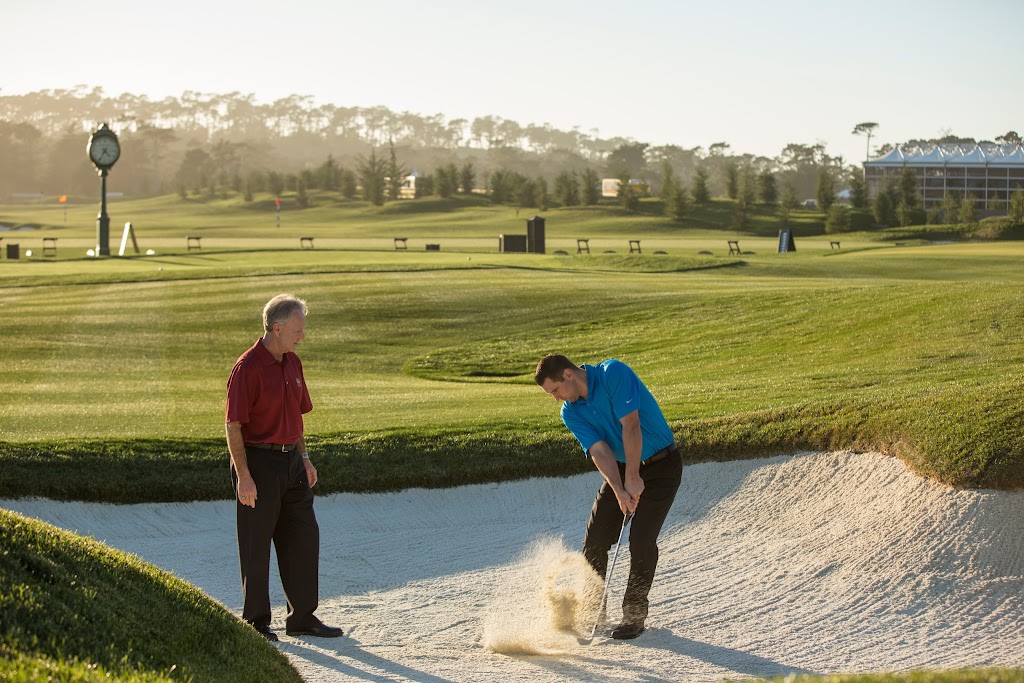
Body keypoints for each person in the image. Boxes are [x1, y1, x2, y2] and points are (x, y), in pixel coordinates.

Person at [535, 354, 682, 640]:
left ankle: (634, 615)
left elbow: (631, 426)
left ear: (568, 375)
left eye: (555, 390)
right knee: (595, 540)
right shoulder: (570, 411)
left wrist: (634, 477)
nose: (555, 398)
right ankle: (594, 611)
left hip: (662, 465)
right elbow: (599, 451)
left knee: (640, 540)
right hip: (622, 468)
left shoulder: (613, 373)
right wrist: (619, 489)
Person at [225, 293, 342, 642]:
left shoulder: (293, 363)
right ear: (276, 328)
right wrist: (244, 477)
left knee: (304, 538)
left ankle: (303, 617)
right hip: (258, 463)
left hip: (292, 461)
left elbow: (296, 416)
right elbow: (233, 426)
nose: (302, 335)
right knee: (256, 544)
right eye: (297, 329)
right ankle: (257, 622)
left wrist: (304, 458)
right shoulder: (247, 368)